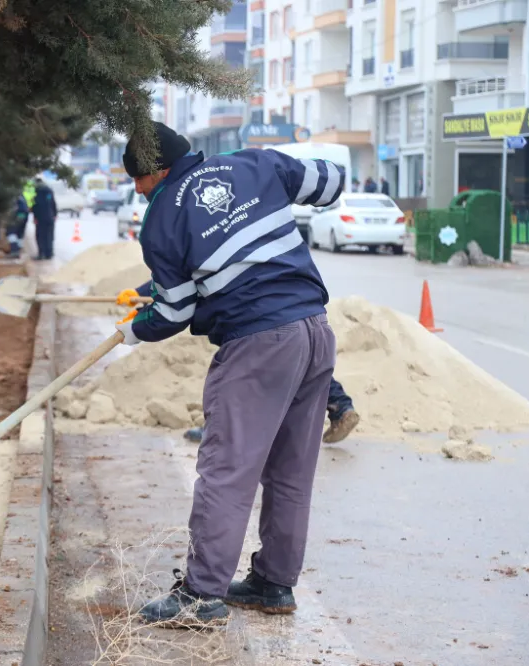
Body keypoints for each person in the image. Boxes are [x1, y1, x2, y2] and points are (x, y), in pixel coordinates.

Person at [113, 122, 344, 626]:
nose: (137, 189)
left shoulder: (160, 223)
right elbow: (330, 182)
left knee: (226, 472)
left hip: (258, 344)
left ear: (161, 170)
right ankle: (273, 583)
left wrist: (135, 330)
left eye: (140, 178)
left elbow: (175, 313)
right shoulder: (251, 162)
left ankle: (200, 596)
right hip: (314, 333)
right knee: (290, 470)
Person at [184, 378, 360, 444]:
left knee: (240, 363)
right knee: (310, 363)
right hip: (307, 314)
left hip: (267, 316)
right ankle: (341, 406)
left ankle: (221, 427)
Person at [31, 177, 58, 260]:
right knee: (49, 235)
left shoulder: (36, 191)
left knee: (40, 236)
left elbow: (35, 206)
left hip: (41, 217)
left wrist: (35, 216)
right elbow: (53, 203)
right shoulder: (49, 190)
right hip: (50, 217)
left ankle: (41, 254)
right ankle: (49, 253)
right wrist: (55, 214)